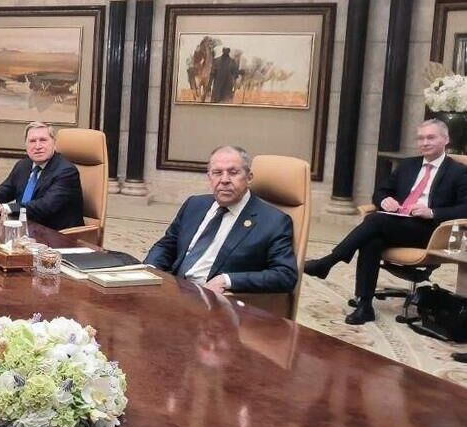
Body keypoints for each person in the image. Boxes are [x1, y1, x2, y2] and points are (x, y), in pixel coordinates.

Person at [304, 120, 467, 324]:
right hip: (397, 223)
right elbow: (380, 192)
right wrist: (384, 201)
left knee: (375, 221)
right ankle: (364, 306)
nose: (424, 142)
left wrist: (432, 212)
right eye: (421, 138)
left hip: (431, 231)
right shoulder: (408, 165)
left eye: (431, 137)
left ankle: (328, 261)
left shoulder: (458, 171)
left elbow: (464, 208)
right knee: (372, 240)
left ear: (446, 139)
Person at [144, 145, 297, 294]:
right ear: (209, 177)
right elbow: (167, 245)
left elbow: (285, 275)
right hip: (173, 289)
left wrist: (226, 280)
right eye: (217, 173)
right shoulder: (194, 205)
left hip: (214, 299)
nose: (224, 180)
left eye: (233, 172)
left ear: (249, 178)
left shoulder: (274, 222)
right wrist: (150, 270)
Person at [0, 121, 84, 231]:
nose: (37, 146)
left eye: (43, 140)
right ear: (26, 145)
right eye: (32, 141)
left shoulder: (66, 172)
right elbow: (4, 191)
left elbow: (45, 206)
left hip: (56, 234)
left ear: (54, 143)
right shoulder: (23, 165)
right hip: (25, 230)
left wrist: (5, 209)